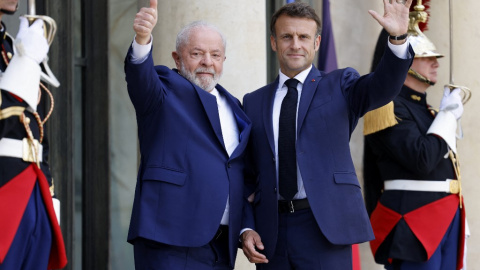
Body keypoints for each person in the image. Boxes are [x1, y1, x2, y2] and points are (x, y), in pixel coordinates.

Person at [241, 1, 415, 269]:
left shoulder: (341, 85)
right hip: (271, 232)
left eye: (303, 37)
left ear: (317, 42)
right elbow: (248, 174)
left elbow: (383, 86)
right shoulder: (253, 102)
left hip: (324, 227)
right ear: (274, 43)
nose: (295, 44)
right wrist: (247, 227)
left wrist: (397, 39)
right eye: (287, 36)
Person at [124, 1, 252, 269]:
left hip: (221, 247)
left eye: (215, 55)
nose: (207, 62)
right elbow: (140, 78)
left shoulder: (237, 109)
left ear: (223, 61)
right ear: (177, 58)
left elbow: (242, 175)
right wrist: (143, 39)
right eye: (197, 53)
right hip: (170, 240)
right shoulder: (163, 90)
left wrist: (246, 227)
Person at [363, 2, 467, 269]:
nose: (434, 63)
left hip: (444, 216)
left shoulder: (426, 110)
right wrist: (447, 116)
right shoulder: (388, 107)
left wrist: (442, 114)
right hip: (412, 222)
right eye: (426, 56)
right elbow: (421, 158)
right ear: (407, 62)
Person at [0, 1, 67, 269]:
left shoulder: (9, 46)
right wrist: (26, 64)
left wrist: (47, 191)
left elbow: (34, 126)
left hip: (31, 190)